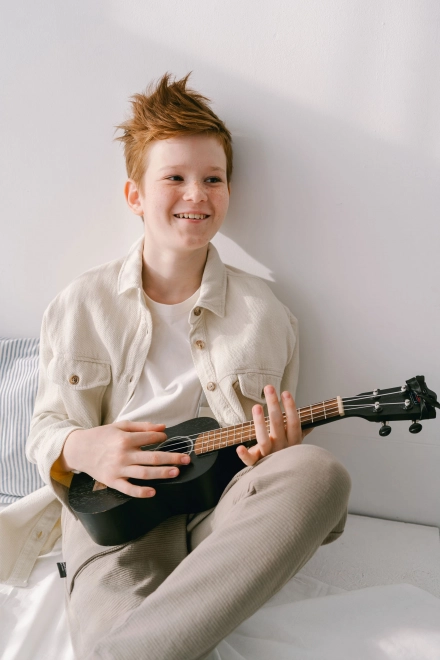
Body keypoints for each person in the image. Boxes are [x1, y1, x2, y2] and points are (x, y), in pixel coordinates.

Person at [26, 72, 352, 660]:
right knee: (117, 641)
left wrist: (273, 453)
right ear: (136, 196)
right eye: (174, 178)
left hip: (222, 519)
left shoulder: (268, 314)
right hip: (119, 520)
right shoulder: (81, 303)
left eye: (213, 179)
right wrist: (85, 447)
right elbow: (45, 431)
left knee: (319, 471)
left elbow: (271, 462)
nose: (196, 195)